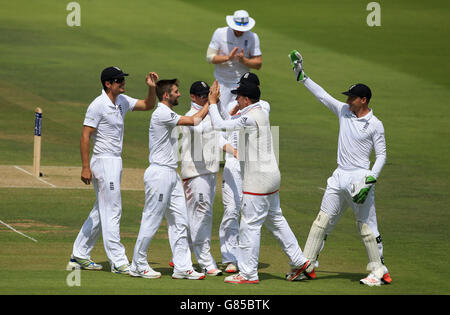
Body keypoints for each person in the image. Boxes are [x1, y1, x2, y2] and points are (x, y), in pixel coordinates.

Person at [289, 50, 390, 286]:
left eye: (352, 97)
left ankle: (380, 271)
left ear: (363, 100)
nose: (347, 100)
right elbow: (323, 96)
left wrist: (371, 179)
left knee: (366, 228)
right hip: (338, 176)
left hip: (359, 179)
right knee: (322, 221)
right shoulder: (344, 112)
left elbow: (382, 155)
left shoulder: (375, 125)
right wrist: (302, 76)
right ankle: (307, 265)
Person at [208, 80, 310, 284]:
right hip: (271, 178)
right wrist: (220, 106)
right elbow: (231, 121)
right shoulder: (259, 112)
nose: (236, 99)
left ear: (246, 99)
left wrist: (211, 102)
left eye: (238, 97)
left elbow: (220, 125)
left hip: (258, 181)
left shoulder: (250, 117)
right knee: (276, 220)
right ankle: (300, 261)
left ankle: (248, 273)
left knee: (250, 225)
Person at [67, 66, 159, 275]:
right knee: (113, 210)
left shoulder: (122, 102)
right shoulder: (97, 105)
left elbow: (148, 104)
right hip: (103, 162)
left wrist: (152, 88)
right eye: (118, 80)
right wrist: (85, 167)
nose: (122, 83)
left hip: (115, 162)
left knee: (102, 209)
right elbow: (85, 136)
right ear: (108, 84)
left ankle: (80, 253)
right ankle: (118, 261)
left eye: (123, 79)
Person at [129, 79, 210, 280]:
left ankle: (182, 266)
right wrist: (212, 102)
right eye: (176, 91)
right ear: (166, 95)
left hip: (171, 174)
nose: (179, 94)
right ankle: (138, 264)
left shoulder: (167, 112)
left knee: (180, 220)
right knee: (152, 218)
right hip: (159, 174)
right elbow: (194, 120)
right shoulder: (162, 113)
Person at [179, 81, 237, 276]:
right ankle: (206, 261)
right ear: (193, 97)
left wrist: (234, 150)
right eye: (202, 95)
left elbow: (216, 137)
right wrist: (210, 104)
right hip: (195, 174)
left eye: (207, 94)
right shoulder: (189, 116)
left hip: (210, 172)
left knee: (196, 216)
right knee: (202, 215)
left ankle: (181, 256)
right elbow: (199, 129)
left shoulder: (210, 112)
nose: (205, 97)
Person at [218, 72, 270, 274]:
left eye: (243, 89)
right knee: (231, 211)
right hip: (232, 164)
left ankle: (245, 258)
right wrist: (233, 151)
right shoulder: (234, 103)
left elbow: (233, 118)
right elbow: (219, 134)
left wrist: (231, 109)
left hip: (252, 168)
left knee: (248, 215)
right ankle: (230, 258)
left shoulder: (262, 107)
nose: (238, 93)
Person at [206, 10, 262, 119]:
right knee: (218, 116)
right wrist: (228, 58)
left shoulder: (253, 37)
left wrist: (244, 60)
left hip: (241, 85)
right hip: (222, 82)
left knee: (241, 116)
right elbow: (210, 57)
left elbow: (258, 63)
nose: (240, 32)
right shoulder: (220, 33)